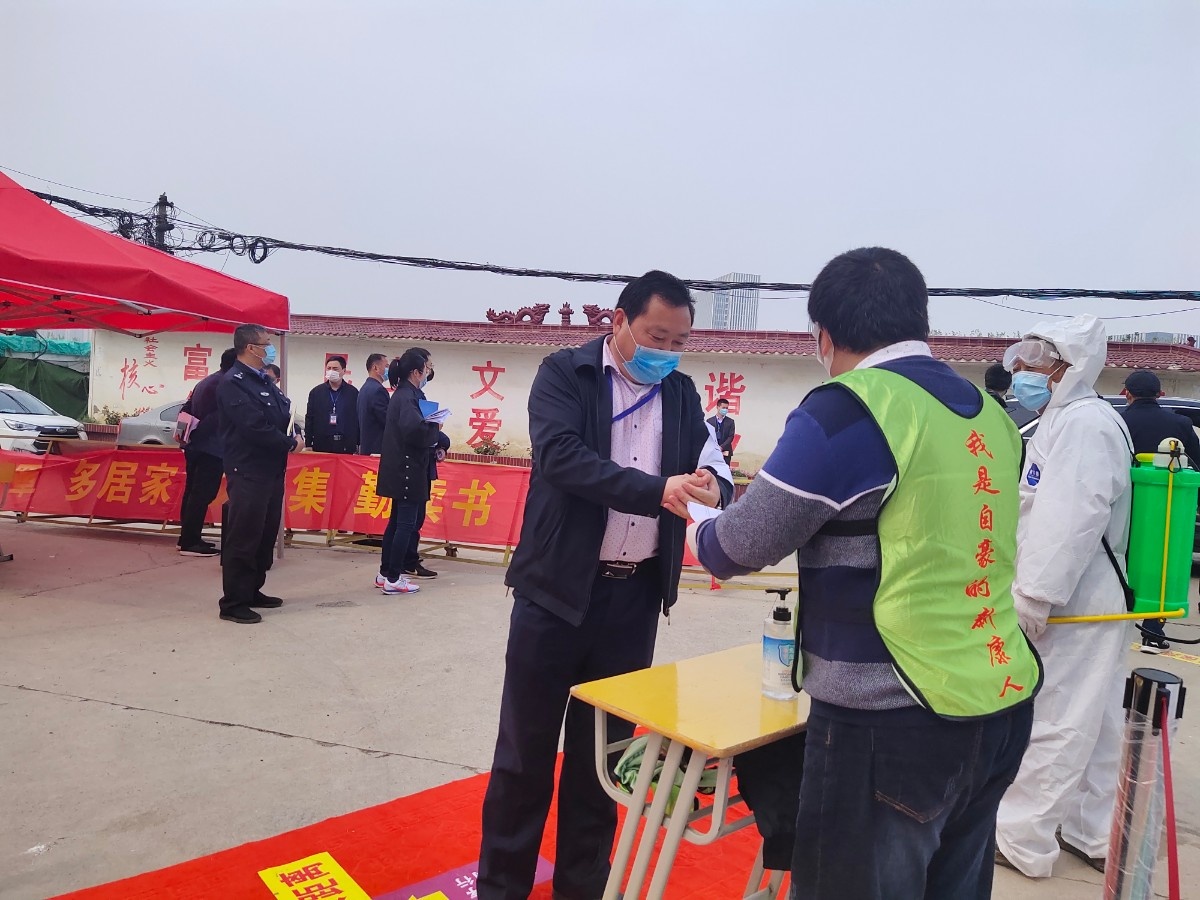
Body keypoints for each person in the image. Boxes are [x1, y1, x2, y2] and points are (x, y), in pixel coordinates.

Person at [691, 248, 1040, 900]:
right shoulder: (991, 414)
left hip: (890, 722)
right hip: (998, 701)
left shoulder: (849, 409)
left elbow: (739, 546)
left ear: (824, 335)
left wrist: (698, 520)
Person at [478, 270, 733, 900]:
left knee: (602, 763)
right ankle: (502, 888)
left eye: (678, 341)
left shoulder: (681, 393)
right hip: (555, 593)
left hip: (632, 601)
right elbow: (561, 458)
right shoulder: (565, 374)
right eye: (655, 336)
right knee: (525, 755)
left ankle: (582, 888)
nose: (665, 351)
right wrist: (657, 490)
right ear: (618, 321)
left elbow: (716, 466)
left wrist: (712, 486)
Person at [994, 315, 1133, 878]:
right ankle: (1094, 832)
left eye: (1036, 361)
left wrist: (1035, 595)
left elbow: (1071, 517)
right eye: (1021, 359)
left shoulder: (1085, 424)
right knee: (1095, 718)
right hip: (1079, 589)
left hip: (1076, 592)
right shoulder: (1064, 419)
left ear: (1069, 367)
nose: (1022, 371)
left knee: (1058, 714)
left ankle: (1021, 839)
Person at [216, 324, 305, 624]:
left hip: (271, 470)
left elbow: (283, 414)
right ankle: (233, 602)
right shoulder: (233, 383)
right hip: (248, 470)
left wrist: (295, 433)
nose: (270, 348)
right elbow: (254, 427)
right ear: (250, 348)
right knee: (244, 536)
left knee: (264, 535)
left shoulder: (263, 379)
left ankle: (253, 590)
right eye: (266, 344)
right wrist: (289, 444)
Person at [1119, 368, 1200, 653]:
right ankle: (1152, 632)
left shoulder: (1118, 421)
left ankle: (1115, 624)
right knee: (1160, 564)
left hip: (1122, 507)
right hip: (1163, 510)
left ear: (1126, 394)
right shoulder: (1180, 424)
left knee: (1119, 563)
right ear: (1160, 394)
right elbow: (1195, 465)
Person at [374, 348, 439, 595]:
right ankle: (393, 577)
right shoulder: (406, 396)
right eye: (427, 368)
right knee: (405, 525)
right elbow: (414, 431)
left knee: (396, 523)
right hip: (407, 469)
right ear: (416, 372)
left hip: (401, 467)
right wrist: (435, 427)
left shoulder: (406, 394)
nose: (429, 372)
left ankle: (385, 573)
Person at [177, 347, 236, 557]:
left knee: (193, 493)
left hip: (196, 445)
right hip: (209, 447)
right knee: (202, 494)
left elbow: (187, 408)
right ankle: (190, 542)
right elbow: (218, 417)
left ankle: (187, 537)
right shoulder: (224, 385)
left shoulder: (207, 381)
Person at [304, 356, 359, 454]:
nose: (331, 371)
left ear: (343, 371)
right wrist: (308, 443)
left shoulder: (353, 393)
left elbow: (357, 419)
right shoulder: (316, 392)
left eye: (335, 369)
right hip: (321, 445)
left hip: (346, 445)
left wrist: (358, 443)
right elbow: (309, 418)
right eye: (329, 368)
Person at [357, 352, 391, 457]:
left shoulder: (364, 389)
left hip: (367, 447)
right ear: (375, 368)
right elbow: (387, 420)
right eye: (386, 366)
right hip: (377, 449)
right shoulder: (378, 390)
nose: (389, 370)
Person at [706, 397, 736, 463]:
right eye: (723, 408)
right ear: (717, 407)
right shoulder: (709, 421)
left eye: (726, 408)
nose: (725, 410)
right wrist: (714, 447)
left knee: (725, 468)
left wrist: (721, 447)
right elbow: (707, 436)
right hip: (712, 451)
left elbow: (731, 437)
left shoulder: (730, 422)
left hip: (725, 451)